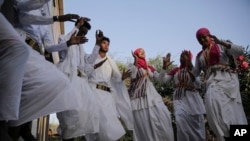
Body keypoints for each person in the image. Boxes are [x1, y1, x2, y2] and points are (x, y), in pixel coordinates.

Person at [192, 27, 248, 141]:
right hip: (211, 81)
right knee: (213, 109)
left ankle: (237, 134)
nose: (202, 40)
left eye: (204, 37)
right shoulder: (200, 56)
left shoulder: (221, 45)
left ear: (209, 36)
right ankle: (226, 135)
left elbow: (240, 51)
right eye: (199, 39)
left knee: (231, 110)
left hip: (227, 79)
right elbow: (194, 74)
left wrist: (222, 42)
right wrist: (188, 66)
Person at [56, 18, 101, 141]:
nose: (82, 36)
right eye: (81, 32)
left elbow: (89, 61)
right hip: (68, 80)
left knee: (86, 114)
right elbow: (63, 45)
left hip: (80, 83)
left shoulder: (81, 49)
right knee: (69, 116)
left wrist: (97, 45)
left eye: (85, 34)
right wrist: (75, 28)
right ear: (77, 28)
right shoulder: (64, 38)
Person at [86, 36, 135, 141]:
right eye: (104, 43)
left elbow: (117, 78)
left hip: (108, 97)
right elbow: (86, 71)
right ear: (99, 43)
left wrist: (123, 76)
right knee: (99, 125)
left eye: (108, 44)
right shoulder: (91, 58)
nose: (106, 45)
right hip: (94, 93)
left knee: (111, 125)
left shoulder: (110, 61)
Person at [128, 48, 174, 141]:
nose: (142, 52)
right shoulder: (133, 66)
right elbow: (132, 76)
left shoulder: (149, 68)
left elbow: (160, 79)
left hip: (152, 95)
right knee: (144, 126)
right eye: (139, 51)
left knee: (163, 115)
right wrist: (135, 61)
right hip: (138, 98)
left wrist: (164, 68)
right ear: (136, 54)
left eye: (143, 51)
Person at [159, 51, 206, 141]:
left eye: (185, 56)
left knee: (197, 126)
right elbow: (162, 80)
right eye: (181, 56)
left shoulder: (195, 70)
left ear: (190, 58)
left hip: (193, 100)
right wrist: (164, 67)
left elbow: (198, 84)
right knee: (180, 120)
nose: (182, 58)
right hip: (178, 99)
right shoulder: (176, 70)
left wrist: (190, 68)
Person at [0, 0, 29, 140]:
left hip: (29, 45)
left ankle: (20, 128)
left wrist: (56, 18)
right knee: (18, 50)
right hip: (19, 40)